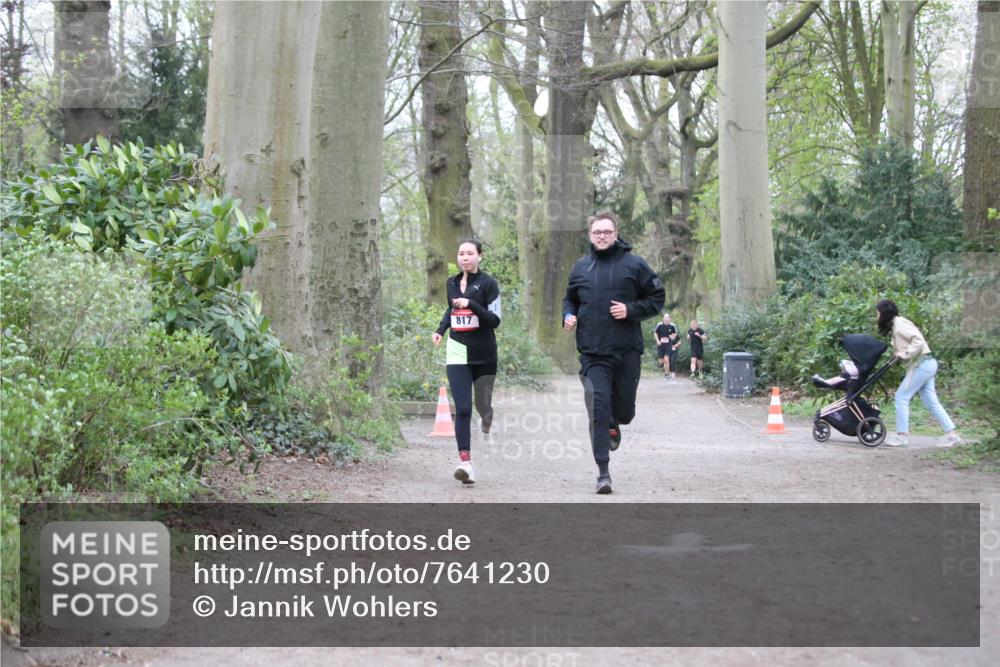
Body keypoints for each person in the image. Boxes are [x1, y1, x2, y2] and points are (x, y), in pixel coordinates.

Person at [563, 211, 665, 494]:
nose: (602, 236)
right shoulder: (581, 267)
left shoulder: (635, 265)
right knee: (598, 408)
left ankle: (615, 422)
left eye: (607, 232)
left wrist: (630, 310)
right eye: (597, 232)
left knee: (624, 412)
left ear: (616, 234)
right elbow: (570, 300)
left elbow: (657, 298)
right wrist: (568, 315)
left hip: (626, 350)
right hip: (593, 353)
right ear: (590, 235)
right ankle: (603, 473)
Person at [432, 239, 502, 483]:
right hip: (457, 351)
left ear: (480, 256)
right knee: (462, 408)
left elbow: (495, 320)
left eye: (470, 253)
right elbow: (450, 311)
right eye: (461, 253)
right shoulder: (451, 283)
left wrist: (471, 304)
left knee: (482, 404)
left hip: (484, 354)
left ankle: (487, 415)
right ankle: (466, 464)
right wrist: (440, 330)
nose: (465, 257)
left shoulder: (489, 284)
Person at [875, 299, 962, 448]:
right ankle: (952, 435)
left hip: (921, 364)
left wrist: (905, 354)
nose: (877, 317)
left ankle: (901, 436)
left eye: (877, 313)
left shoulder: (900, 324)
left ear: (884, 313)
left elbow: (918, 341)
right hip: (926, 364)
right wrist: (899, 354)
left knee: (901, 397)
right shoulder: (896, 325)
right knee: (931, 402)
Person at [653, 313, 680, 379]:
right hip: (660, 345)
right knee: (661, 360)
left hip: (668, 345)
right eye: (665, 318)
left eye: (667, 318)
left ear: (670, 319)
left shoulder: (672, 326)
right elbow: (655, 333)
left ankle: (667, 374)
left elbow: (675, 334)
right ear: (663, 319)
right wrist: (657, 341)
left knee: (666, 359)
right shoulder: (659, 325)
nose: (666, 319)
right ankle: (663, 367)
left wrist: (672, 336)